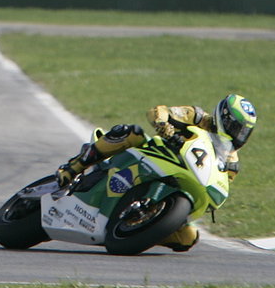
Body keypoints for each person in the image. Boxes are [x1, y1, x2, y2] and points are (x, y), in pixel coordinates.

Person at [53, 93, 258, 252]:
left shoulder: (232, 163)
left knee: (188, 238)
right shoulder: (196, 116)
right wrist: (164, 125)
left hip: (184, 180)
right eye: (236, 127)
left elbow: (219, 185)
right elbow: (159, 112)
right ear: (223, 117)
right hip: (158, 154)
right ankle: (74, 167)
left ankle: (142, 230)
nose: (238, 134)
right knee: (132, 132)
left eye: (244, 131)